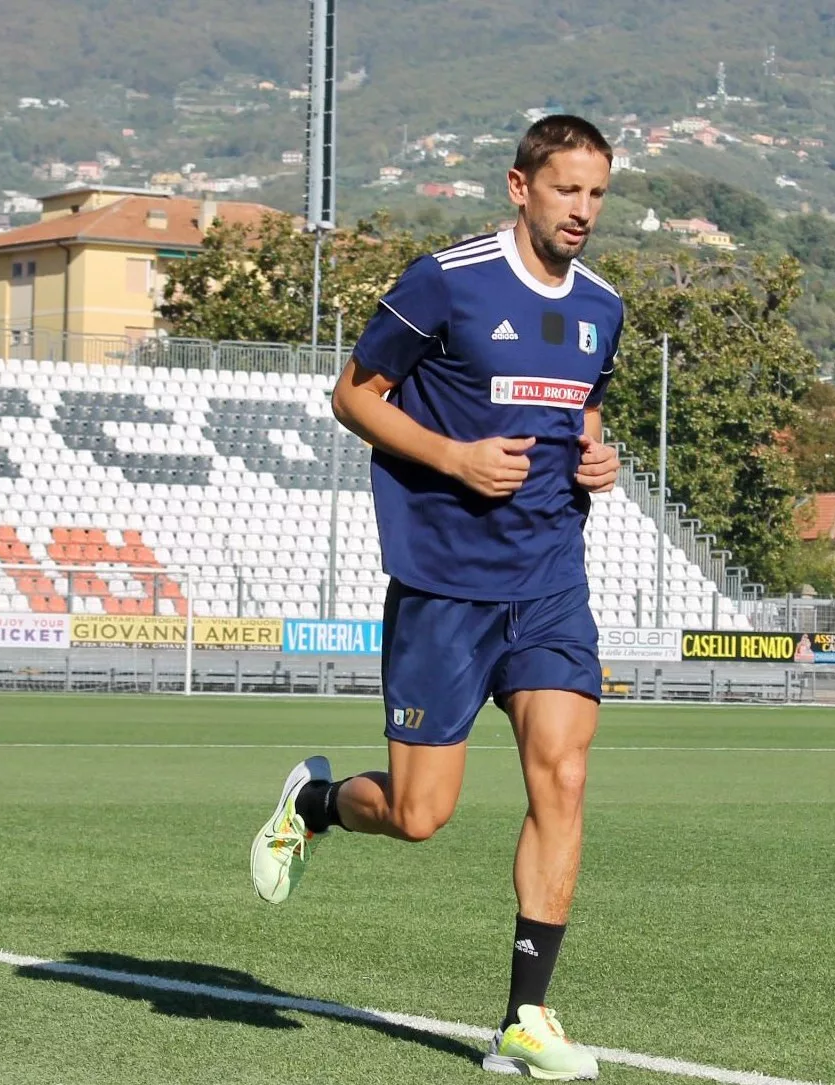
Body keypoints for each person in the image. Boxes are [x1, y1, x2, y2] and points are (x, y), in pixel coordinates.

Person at [250, 114, 623, 1081]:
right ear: (519, 186)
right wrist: (454, 456)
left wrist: (595, 454)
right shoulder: (445, 280)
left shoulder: (602, 307)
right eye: (566, 190)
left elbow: (577, 405)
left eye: (596, 193)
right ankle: (318, 801)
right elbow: (355, 394)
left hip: (548, 581)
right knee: (420, 815)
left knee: (565, 779)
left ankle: (524, 1019)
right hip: (444, 586)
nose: (582, 210)